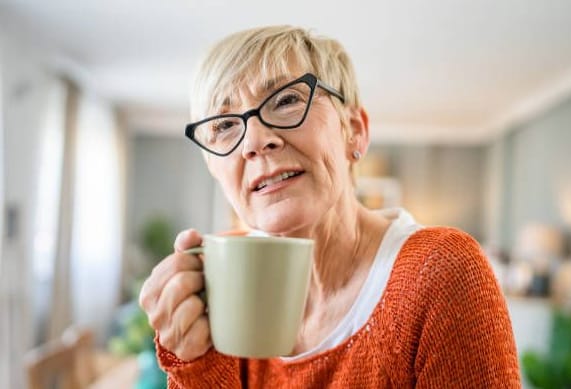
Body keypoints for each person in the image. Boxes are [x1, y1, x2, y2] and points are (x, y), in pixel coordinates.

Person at [139, 25, 520, 388]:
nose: (253, 141)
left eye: (286, 100)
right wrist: (195, 363)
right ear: (213, 167)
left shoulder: (440, 271)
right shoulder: (218, 288)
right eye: (223, 125)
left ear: (354, 130)